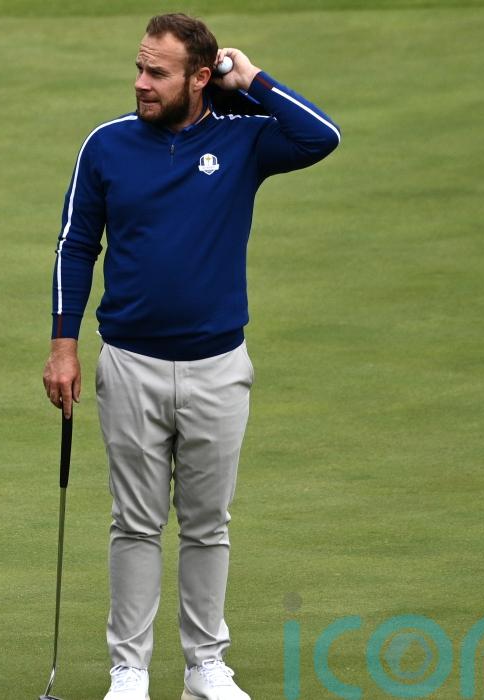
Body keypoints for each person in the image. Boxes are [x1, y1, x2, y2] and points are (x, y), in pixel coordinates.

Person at [42, 13, 340, 700]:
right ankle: (129, 671)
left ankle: (205, 666)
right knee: (135, 524)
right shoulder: (107, 145)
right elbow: (75, 246)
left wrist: (253, 79)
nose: (141, 83)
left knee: (207, 526)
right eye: (139, 68)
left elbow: (320, 136)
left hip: (218, 367)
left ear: (200, 77)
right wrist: (63, 346)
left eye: (158, 72)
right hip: (130, 363)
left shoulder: (242, 138)